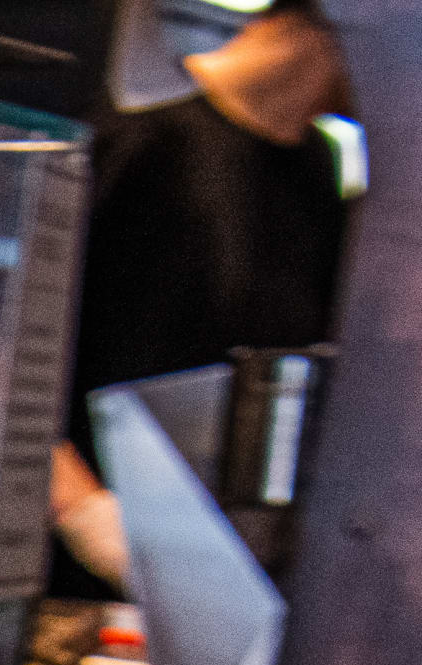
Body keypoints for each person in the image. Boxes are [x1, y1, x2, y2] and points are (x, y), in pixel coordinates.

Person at [54, 0, 354, 589]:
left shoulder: (318, 167)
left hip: (220, 577)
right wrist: (83, 514)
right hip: (78, 582)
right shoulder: (134, 130)